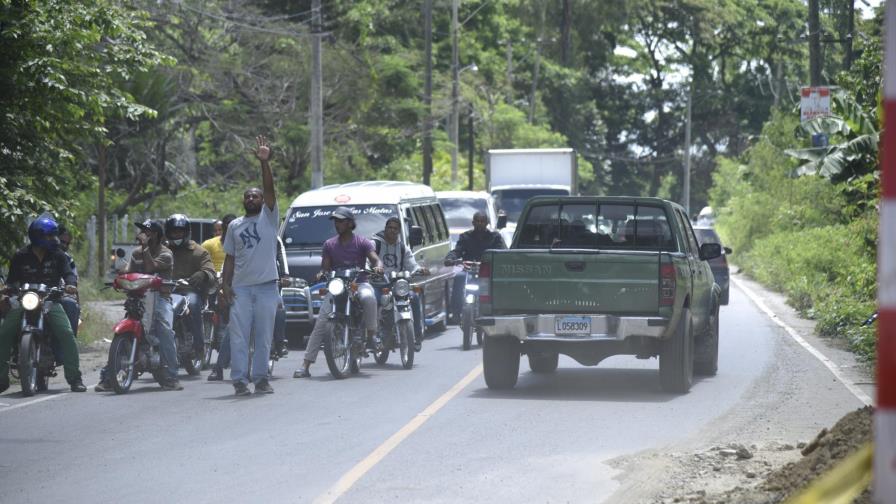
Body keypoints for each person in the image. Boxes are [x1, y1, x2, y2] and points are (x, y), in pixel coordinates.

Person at [219, 135, 280, 396]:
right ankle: (240, 381)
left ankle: (261, 378)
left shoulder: (269, 218)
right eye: (248, 196)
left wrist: (264, 163)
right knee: (239, 337)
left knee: (264, 336)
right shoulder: (234, 226)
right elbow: (230, 257)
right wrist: (225, 284)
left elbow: (269, 190)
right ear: (243, 201)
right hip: (241, 289)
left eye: (256, 195)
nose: (253, 198)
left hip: (267, 287)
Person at [293, 207, 384, 379]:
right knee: (321, 322)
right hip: (338, 285)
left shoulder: (362, 242)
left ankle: (371, 335)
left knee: (369, 298)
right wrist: (322, 273)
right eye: (335, 221)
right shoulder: (329, 244)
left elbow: (375, 258)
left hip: (359, 282)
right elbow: (325, 267)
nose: (337, 224)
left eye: (341, 221)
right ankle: (305, 365)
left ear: (350, 223)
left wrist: (378, 266)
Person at [0, 214, 86, 393]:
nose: (53, 239)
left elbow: (68, 274)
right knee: (5, 333)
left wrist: (71, 285)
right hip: (24, 301)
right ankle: (2, 379)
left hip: (50, 300)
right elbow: (12, 281)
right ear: (37, 236)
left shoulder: (58, 255)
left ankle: (74, 378)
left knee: (66, 333)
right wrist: (6, 290)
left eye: (53, 235)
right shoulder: (20, 256)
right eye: (49, 236)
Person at [95, 219, 182, 391]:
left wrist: (145, 247)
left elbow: (150, 268)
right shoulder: (136, 252)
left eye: (146, 231)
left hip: (160, 298)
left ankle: (172, 376)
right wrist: (120, 276)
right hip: (139, 297)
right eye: (142, 231)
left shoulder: (166, 253)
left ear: (155, 234)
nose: (142, 233)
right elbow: (128, 269)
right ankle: (109, 376)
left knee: (165, 329)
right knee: (125, 324)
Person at [371, 217, 429, 351]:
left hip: (397, 285)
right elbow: (367, 259)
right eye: (389, 227)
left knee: (414, 298)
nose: (392, 230)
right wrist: (372, 270)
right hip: (377, 284)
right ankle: (372, 335)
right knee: (371, 301)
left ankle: (416, 337)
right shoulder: (375, 244)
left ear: (398, 231)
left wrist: (420, 270)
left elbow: (412, 265)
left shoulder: (403, 247)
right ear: (385, 228)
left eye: (395, 228)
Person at [165, 213, 215, 357]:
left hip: (188, 291)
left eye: (180, 231)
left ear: (187, 232)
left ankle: (198, 346)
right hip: (165, 291)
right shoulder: (163, 250)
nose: (177, 235)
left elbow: (210, 271)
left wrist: (203, 274)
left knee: (192, 305)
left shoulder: (199, 252)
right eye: (174, 232)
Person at [444, 211, 506, 322]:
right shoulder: (465, 237)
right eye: (477, 221)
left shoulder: (495, 237)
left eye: (482, 221)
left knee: (499, 282)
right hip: (470, 271)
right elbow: (457, 251)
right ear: (473, 222)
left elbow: (502, 252)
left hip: (488, 272)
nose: (480, 224)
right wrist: (450, 258)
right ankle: (456, 312)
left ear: (487, 223)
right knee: (459, 277)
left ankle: (501, 309)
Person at [57, 225, 81, 338]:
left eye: (67, 243)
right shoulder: (25, 254)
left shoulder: (67, 259)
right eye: (62, 242)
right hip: (33, 295)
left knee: (71, 304)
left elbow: (72, 278)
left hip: (57, 295)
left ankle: (69, 346)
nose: (64, 246)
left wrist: (71, 286)